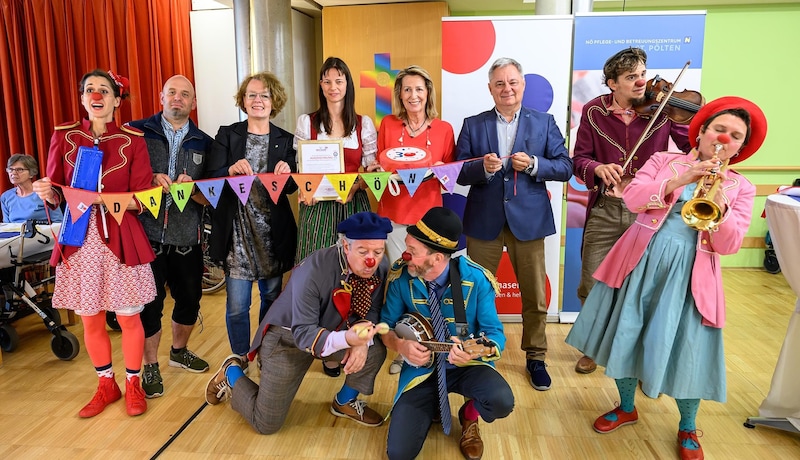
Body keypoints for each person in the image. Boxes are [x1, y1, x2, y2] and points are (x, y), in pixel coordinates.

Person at [565, 97, 766, 460]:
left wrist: (717, 197)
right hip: (640, 262)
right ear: (702, 131)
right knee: (626, 335)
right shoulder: (663, 161)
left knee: (689, 349)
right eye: (719, 129)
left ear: (741, 146)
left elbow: (731, 244)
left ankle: (688, 427)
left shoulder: (741, 187)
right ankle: (627, 406)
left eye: (735, 135)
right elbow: (634, 199)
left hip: (693, 275)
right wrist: (683, 178)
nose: (724, 138)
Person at [32, 69, 157, 417]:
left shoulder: (134, 140)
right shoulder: (64, 136)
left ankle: (134, 384)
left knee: (129, 317)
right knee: (90, 319)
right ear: (83, 98)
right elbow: (57, 192)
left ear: (117, 100)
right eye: (90, 89)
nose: (97, 94)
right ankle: (106, 384)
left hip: (120, 237)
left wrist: (102, 199)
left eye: (105, 89)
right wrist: (47, 190)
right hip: (78, 239)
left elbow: (144, 198)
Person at [204, 212, 391, 434]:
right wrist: (349, 339)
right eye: (363, 252)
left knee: (374, 350)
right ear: (346, 246)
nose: (371, 260)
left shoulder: (380, 267)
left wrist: (361, 339)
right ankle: (231, 373)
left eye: (378, 252)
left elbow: (371, 309)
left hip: (333, 331)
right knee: (266, 424)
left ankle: (344, 402)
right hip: (288, 339)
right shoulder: (314, 270)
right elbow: (303, 333)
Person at [570, 47, 691, 374]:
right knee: (591, 281)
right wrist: (596, 168)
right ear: (612, 83)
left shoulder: (662, 109)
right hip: (607, 208)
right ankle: (591, 347)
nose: (642, 82)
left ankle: (637, 355)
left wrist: (705, 129)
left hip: (648, 212)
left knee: (642, 286)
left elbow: (690, 146)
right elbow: (579, 158)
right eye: (631, 77)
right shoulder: (594, 112)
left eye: (642, 74)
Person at [455, 57, 572, 392]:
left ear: (522, 85)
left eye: (513, 82)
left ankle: (536, 356)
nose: (507, 89)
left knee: (534, 295)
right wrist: (484, 168)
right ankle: (477, 352)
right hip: (483, 220)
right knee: (474, 292)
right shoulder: (473, 124)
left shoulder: (545, 122)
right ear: (490, 88)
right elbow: (459, 171)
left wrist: (535, 164)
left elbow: (565, 166)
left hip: (529, 221)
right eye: (500, 83)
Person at [381, 207, 514, 460]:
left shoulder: (476, 279)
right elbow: (385, 326)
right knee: (399, 454)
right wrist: (400, 346)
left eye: (413, 252)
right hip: (421, 371)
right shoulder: (401, 279)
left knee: (501, 401)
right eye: (407, 247)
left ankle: (469, 416)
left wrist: (480, 349)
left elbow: (495, 333)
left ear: (438, 258)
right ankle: (431, 405)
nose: (405, 255)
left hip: (467, 365)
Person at [128, 75, 214, 398]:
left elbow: (213, 196)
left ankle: (179, 351)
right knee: (150, 305)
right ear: (160, 96)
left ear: (193, 103)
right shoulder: (136, 132)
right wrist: (148, 178)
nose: (178, 98)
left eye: (185, 94)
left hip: (186, 237)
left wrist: (194, 191)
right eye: (172, 93)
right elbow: (120, 181)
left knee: (190, 300)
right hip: (145, 235)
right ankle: (150, 365)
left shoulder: (205, 142)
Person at [293, 57, 380, 378]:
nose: (333, 87)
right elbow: (302, 168)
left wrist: (359, 180)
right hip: (317, 206)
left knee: (355, 273)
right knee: (316, 270)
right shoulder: (307, 122)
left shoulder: (364, 124)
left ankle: (351, 340)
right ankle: (320, 343)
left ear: (348, 85)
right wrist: (306, 187)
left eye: (339, 81)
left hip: (353, 204)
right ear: (321, 85)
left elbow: (370, 167)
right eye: (327, 81)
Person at [206, 71, 298, 362]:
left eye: (264, 95)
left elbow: (294, 186)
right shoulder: (227, 134)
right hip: (236, 234)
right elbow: (210, 177)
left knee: (271, 300)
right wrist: (229, 171)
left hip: (271, 234)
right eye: (252, 95)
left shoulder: (286, 140)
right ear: (243, 101)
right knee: (237, 305)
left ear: (274, 102)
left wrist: (288, 174)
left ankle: (263, 352)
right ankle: (239, 357)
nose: (258, 100)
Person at [374, 65, 456, 374]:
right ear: (399, 95)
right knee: (401, 283)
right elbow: (378, 166)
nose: (413, 95)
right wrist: (378, 171)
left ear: (428, 93)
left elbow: (451, 175)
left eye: (419, 89)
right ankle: (403, 346)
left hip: (428, 220)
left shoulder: (445, 129)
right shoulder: (388, 125)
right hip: (394, 217)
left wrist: (440, 169)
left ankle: (433, 343)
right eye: (407, 89)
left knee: (429, 281)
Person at [2, 154, 63, 223]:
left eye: (19, 170)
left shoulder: (43, 192)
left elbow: (58, 221)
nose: (13, 173)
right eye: (10, 169)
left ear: (31, 173)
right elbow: (6, 225)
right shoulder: (6, 197)